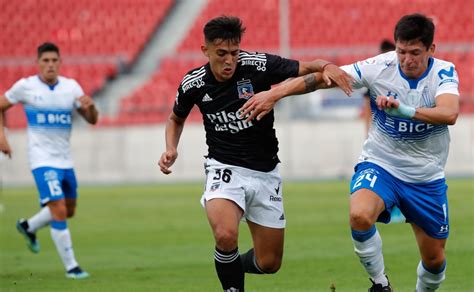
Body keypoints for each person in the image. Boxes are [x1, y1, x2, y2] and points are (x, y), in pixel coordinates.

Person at [240, 13, 459, 292]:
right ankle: (381, 284)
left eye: (415, 53)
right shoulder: (379, 67)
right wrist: (275, 94)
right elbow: (320, 80)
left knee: (434, 259)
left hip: (426, 175)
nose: (407, 59)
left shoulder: (443, 71)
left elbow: (449, 113)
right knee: (359, 215)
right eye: (401, 51)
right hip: (382, 164)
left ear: (431, 50)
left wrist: (403, 110)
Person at [158, 16, 352, 292]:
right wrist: (171, 148)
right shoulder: (194, 83)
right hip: (223, 168)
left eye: (234, 53)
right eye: (221, 54)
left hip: (265, 173)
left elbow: (311, 66)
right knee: (225, 235)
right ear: (205, 50)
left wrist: (329, 66)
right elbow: (175, 118)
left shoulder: (257, 65)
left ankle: (231, 265)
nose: (229, 61)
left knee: (269, 262)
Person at [0, 42, 99, 279]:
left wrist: (92, 107)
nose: (50, 65)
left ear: (60, 63)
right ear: (38, 63)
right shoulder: (26, 87)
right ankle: (72, 267)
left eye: (54, 60)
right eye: (46, 61)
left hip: (65, 160)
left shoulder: (71, 87)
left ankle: (28, 226)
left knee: (68, 210)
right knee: (58, 209)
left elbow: (92, 120)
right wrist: (1, 136)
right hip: (41, 160)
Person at [362, 40, 405, 224]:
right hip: (383, 135)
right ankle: (392, 208)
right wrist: (369, 130)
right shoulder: (376, 77)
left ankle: (399, 207)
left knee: (398, 170)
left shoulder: (399, 76)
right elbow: (367, 107)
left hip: (401, 135)